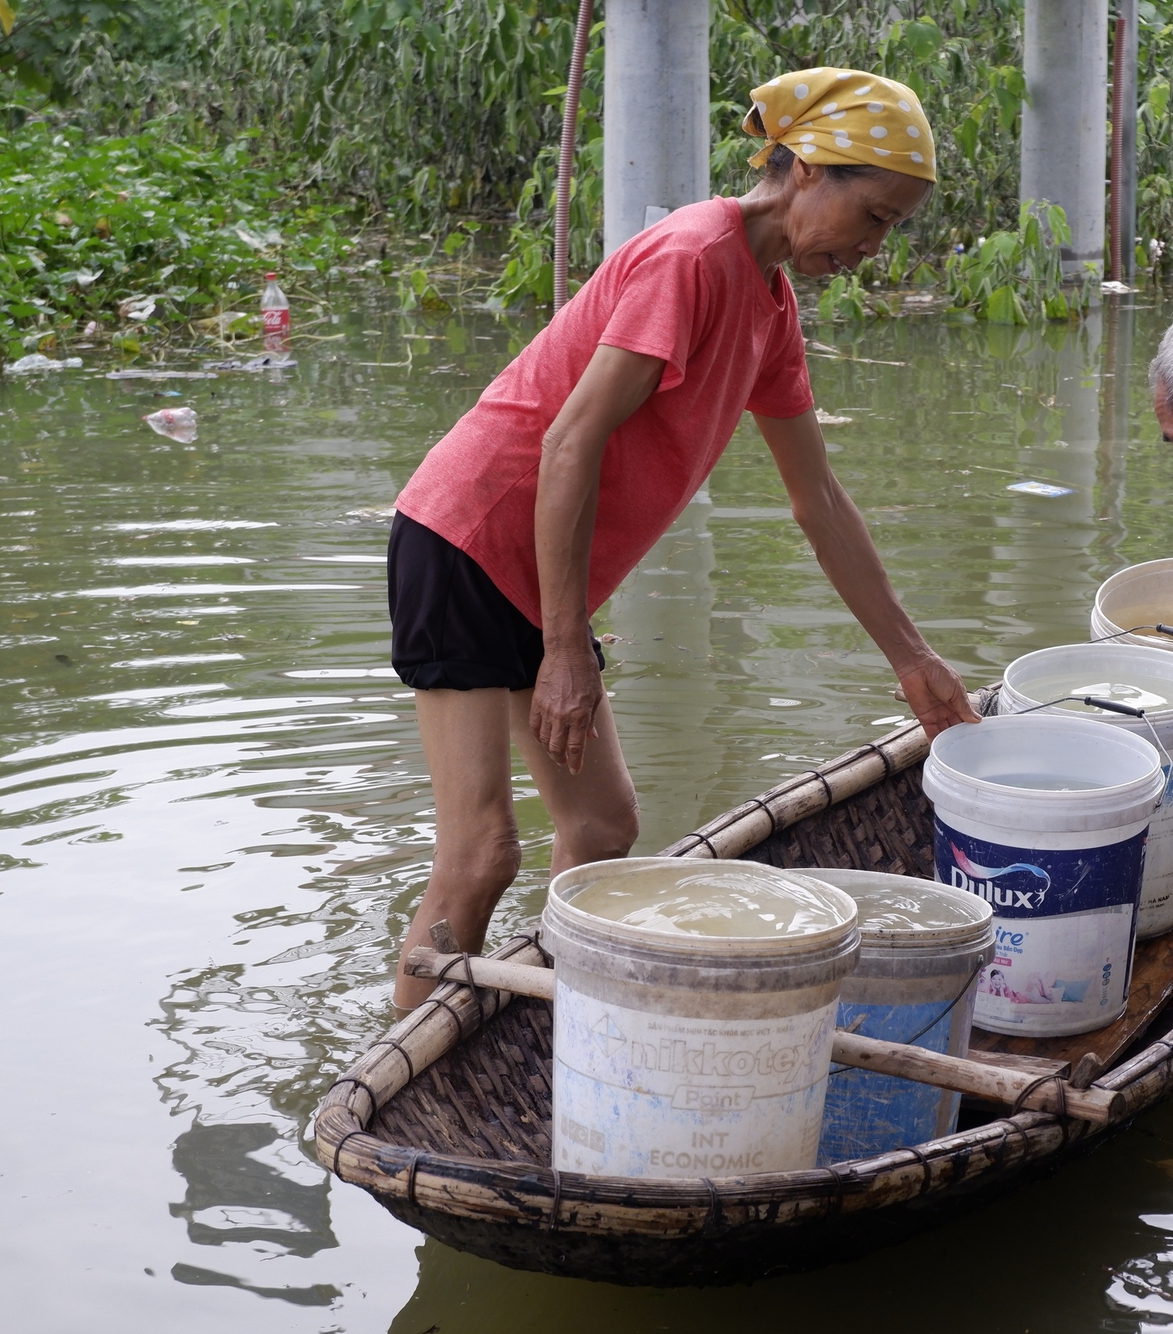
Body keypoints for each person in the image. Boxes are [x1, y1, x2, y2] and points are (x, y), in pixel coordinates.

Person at [386, 67, 977, 1007]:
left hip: (535, 569)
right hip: (469, 538)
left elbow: (817, 496)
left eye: (891, 228)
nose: (874, 248)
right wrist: (565, 646)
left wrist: (912, 661)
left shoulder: (771, 304)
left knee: (604, 828)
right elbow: (570, 438)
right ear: (808, 172)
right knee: (485, 849)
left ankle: (548, 1016)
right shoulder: (693, 258)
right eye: (874, 217)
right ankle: (399, 1069)